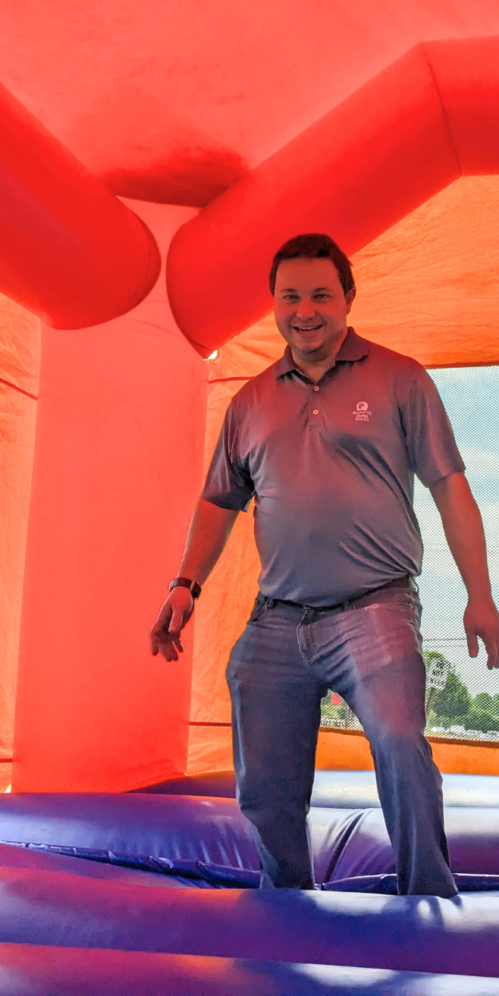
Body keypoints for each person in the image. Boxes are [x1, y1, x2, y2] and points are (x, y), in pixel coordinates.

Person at [149, 233, 499, 897]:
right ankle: (285, 905)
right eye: (290, 297)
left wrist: (478, 596)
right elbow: (217, 499)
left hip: (374, 607)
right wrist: (184, 584)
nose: (304, 310)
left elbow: (450, 483)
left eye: (319, 295)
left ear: (346, 300)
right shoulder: (250, 401)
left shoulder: (399, 379)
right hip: (276, 619)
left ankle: (427, 898)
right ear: (274, 305)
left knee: (399, 741)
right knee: (264, 787)